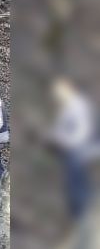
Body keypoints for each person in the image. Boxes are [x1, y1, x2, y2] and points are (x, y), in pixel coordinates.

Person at [49, 77, 99, 219]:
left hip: (81, 151)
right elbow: (60, 128)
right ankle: (80, 214)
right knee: (72, 186)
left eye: (59, 93)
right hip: (71, 151)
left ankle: (84, 215)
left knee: (78, 186)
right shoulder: (67, 107)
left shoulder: (79, 106)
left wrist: (63, 141)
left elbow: (82, 133)